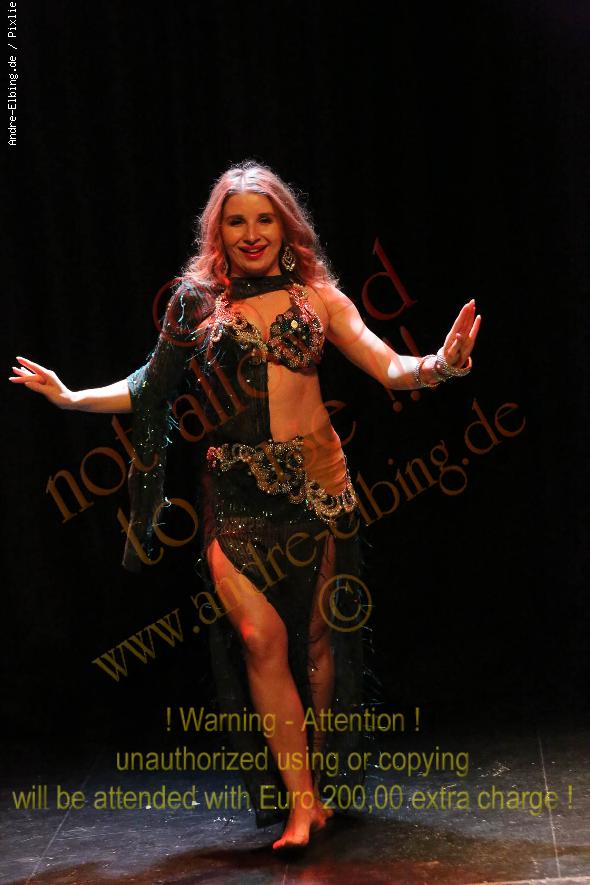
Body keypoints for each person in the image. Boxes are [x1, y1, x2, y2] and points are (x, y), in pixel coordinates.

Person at [9, 160, 481, 849]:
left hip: (318, 489)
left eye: (264, 219)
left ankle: (315, 788)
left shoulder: (319, 298)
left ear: (286, 227)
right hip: (234, 498)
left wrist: (441, 363)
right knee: (261, 639)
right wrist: (73, 397)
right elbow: (151, 386)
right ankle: (300, 804)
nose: (252, 232)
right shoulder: (196, 304)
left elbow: (387, 365)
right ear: (219, 232)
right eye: (237, 221)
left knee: (317, 642)